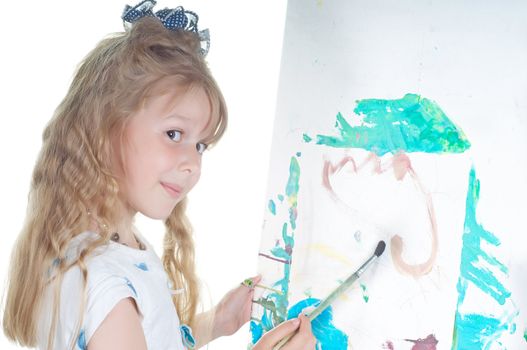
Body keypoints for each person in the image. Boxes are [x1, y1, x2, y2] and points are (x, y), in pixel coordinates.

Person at [1, 1, 316, 349]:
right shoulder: (110, 291)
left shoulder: (103, 248)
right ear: (105, 129)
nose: (193, 164)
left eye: (200, 145)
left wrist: (213, 323)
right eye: (174, 134)